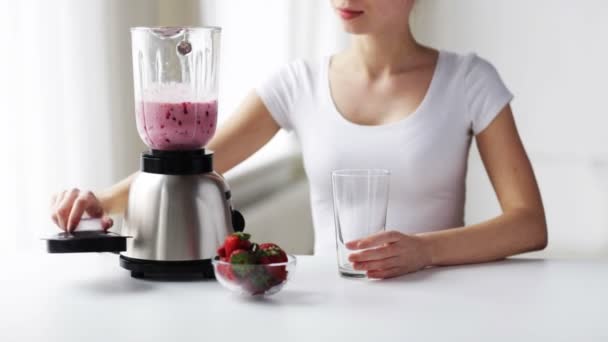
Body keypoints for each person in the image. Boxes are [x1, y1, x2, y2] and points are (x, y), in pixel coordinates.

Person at [50, 0, 547, 279]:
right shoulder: (297, 83)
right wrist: (101, 199)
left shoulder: (470, 79)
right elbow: (192, 164)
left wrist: (423, 250)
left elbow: (528, 224)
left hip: (447, 301)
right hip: (338, 305)